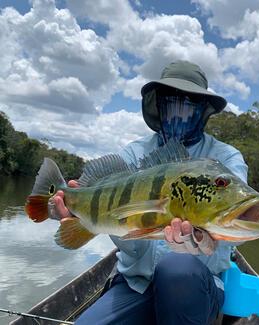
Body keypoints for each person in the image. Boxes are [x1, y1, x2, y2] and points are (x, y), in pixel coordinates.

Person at [54, 60, 248, 324]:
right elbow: (103, 212)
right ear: (158, 105)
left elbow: (235, 221)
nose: (180, 112)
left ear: (203, 110)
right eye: (171, 102)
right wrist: (72, 213)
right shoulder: (134, 155)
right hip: (135, 284)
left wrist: (210, 242)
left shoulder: (224, 159)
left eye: (190, 103)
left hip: (195, 290)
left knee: (178, 268)